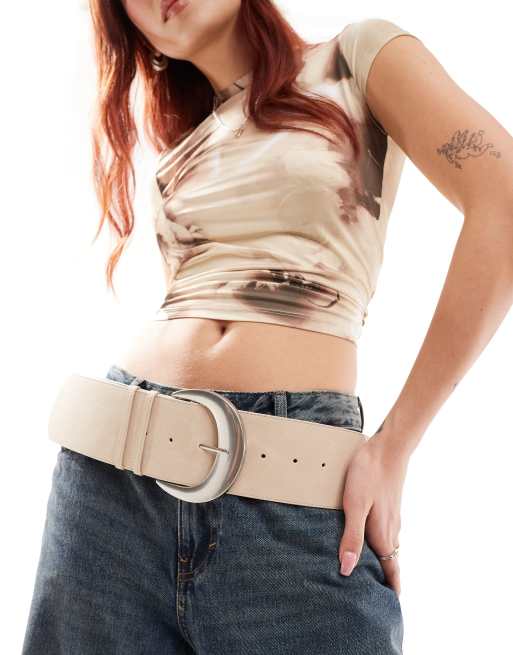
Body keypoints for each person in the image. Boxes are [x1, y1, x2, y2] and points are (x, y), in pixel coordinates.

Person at [22, 1, 513, 654]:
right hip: (108, 491)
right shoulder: (181, 153)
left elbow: (503, 199)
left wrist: (394, 446)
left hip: (292, 489)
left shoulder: (356, 59)